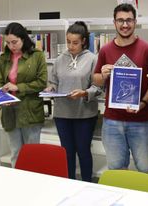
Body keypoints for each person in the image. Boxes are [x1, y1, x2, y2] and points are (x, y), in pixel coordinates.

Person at [92, 3, 148, 174]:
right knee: (116, 170)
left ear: (135, 21)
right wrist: (103, 74)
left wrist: (144, 103)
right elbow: (96, 80)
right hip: (112, 121)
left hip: (142, 120)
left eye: (129, 20)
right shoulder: (105, 50)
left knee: (145, 169)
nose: (125, 25)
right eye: (121, 20)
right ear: (114, 22)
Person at [44, 21, 101, 182]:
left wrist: (84, 93)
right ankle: (68, 184)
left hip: (84, 114)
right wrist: (51, 88)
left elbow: (98, 87)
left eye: (75, 42)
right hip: (62, 114)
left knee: (83, 151)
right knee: (66, 152)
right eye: (68, 42)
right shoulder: (60, 59)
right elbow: (54, 81)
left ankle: (87, 184)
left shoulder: (92, 59)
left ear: (84, 41)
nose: (70, 46)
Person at [0, 22, 47, 168]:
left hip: (29, 111)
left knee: (32, 155)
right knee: (16, 153)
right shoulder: (4, 58)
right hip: (9, 111)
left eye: (15, 42)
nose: (11, 46)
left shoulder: (37, 55)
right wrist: (1, 97)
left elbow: (41, 82)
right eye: (8, 43)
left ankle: (34, 187)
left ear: (23, 39)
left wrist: (17, 87)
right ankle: (17, 186)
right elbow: (0, 82)